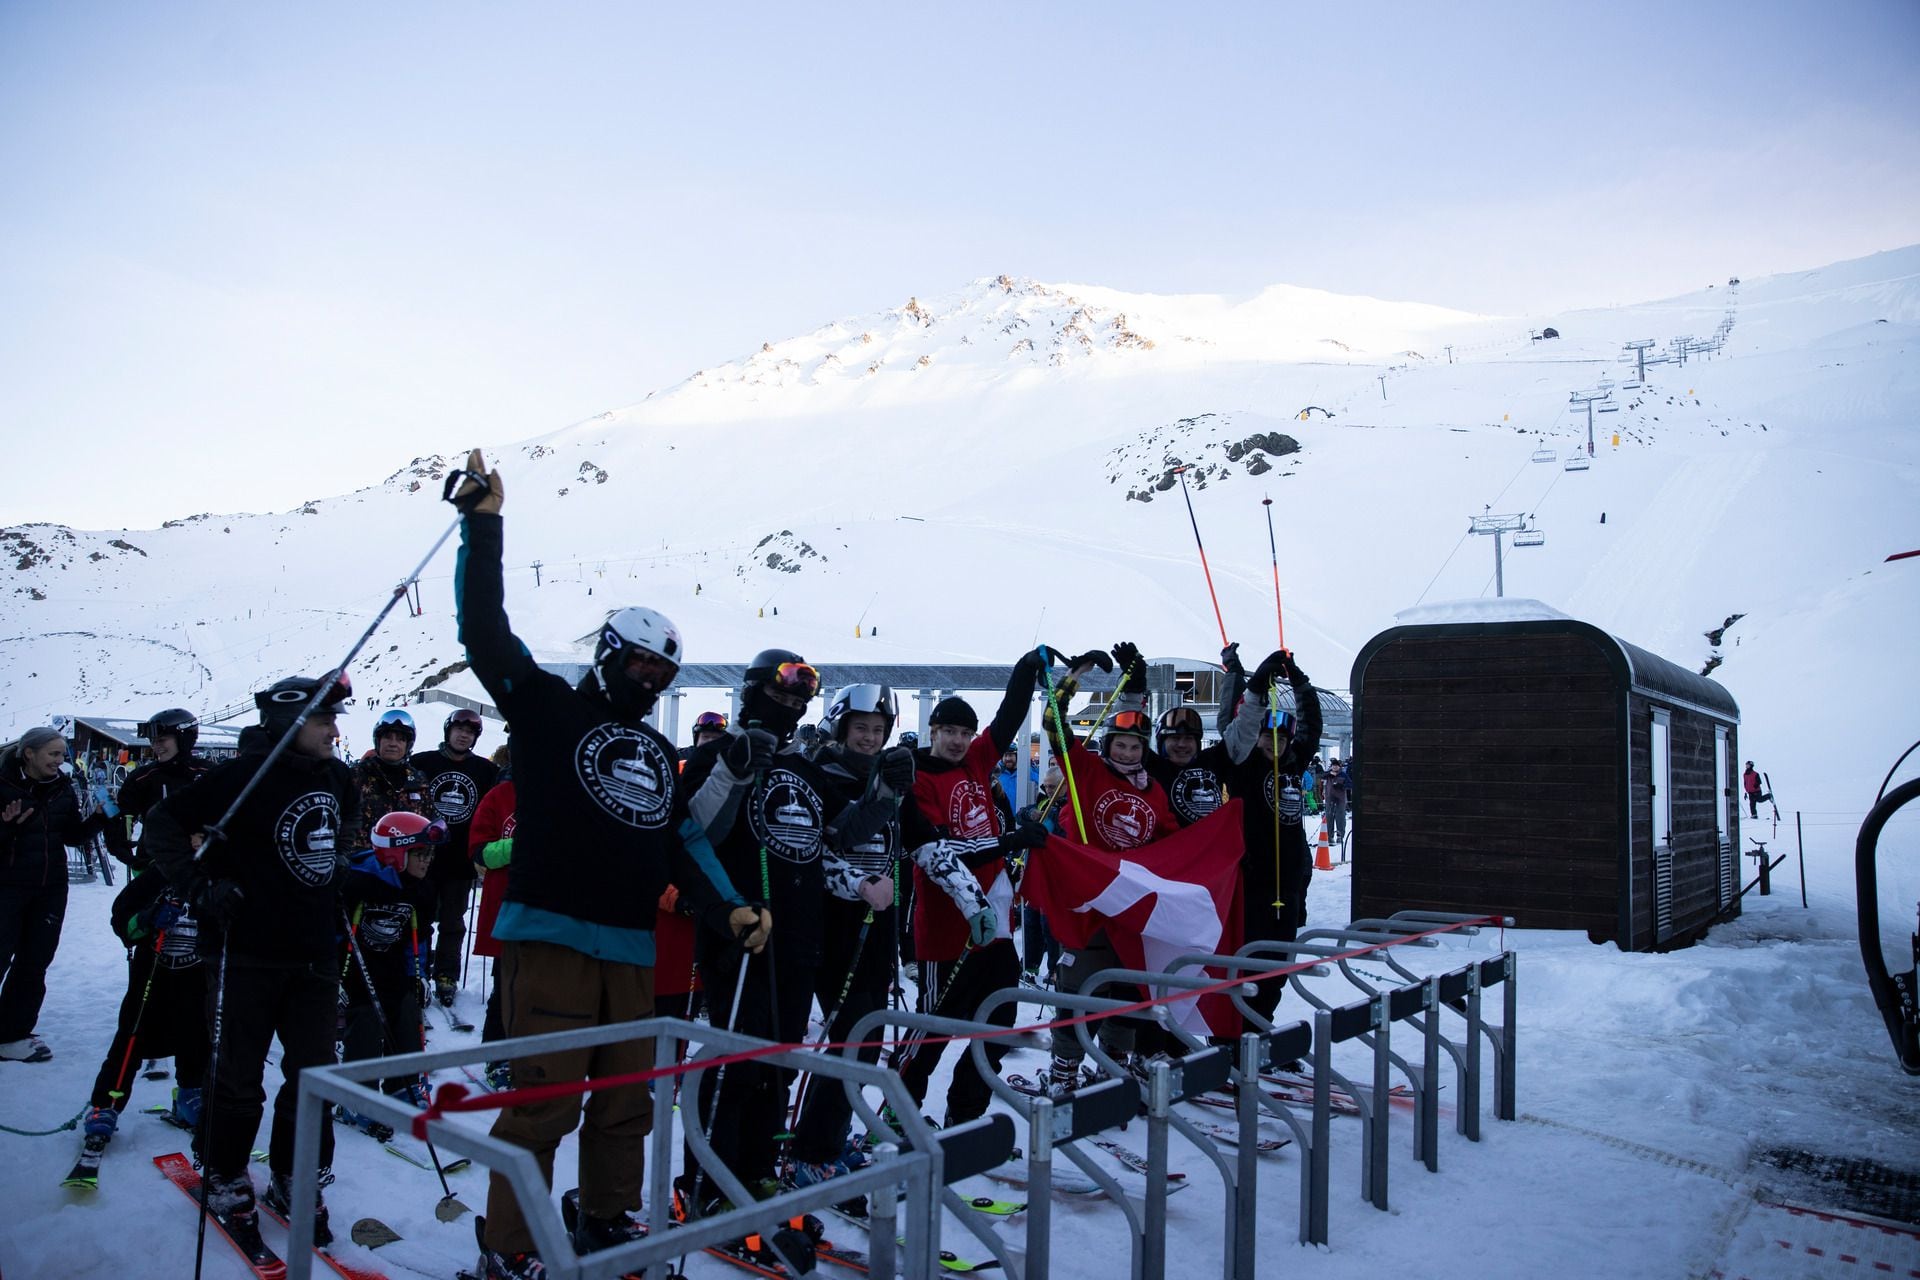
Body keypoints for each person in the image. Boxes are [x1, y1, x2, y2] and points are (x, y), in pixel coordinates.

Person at [451, 450, 766, 1280]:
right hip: (551, 935)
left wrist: (727, 904)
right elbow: (484, 634)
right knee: (541, 1105)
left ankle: (603, 1222)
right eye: (639, 665)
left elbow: (682, 840)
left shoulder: (660, 753)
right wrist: (482, 527)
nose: (648, 680)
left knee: (627, 1106)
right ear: (609, 657)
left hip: (631, 950)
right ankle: (510, 1251)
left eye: (662, 673)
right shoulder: (549, 709)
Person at [143, 672, 356, 1256]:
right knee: (238, 1077)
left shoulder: (338, 775)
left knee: (314, 1077)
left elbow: (348, 827)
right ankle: (224, 1173)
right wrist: (200, 887)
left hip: (314, 951)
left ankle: (296, 1174)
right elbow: (161, 828)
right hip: (245, 951)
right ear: (291, 722)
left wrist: (338, 858)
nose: (335, 731)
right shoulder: (242, 777)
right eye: (323, 720)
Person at [678, 649, 859, 1221]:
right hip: (742, 929)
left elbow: (835, 835)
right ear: (752, 695)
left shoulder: (803, 767)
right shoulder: (717, 756)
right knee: (737, 1058)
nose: (786, 708)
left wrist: (883, 799)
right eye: (777, 697)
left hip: (799, 932)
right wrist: (733, 770)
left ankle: (756, 1169)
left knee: (778, 1061)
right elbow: (693, 834)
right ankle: (707, 1179)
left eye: (796, 701)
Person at [890, 651, 1050, 1124]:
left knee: (999, 1024)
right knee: (933, 1031)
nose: (959, 741)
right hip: (948, 931)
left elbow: (1008, 717)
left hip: (996, 923)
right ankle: (898, 1114)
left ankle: (966, 1114)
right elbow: (945, 853)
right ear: (933, 732)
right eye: (949, 732)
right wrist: (1009, 839)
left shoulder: (978, 760)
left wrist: (1025, 669)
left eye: (965, 732)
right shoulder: (917, 782)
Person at [786, 683, 924, 1187]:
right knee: (852, 1038)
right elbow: (821, 846)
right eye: (860, 728)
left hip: (876, 926)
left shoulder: (888, 778)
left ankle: (826, 1137)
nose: (869, 738)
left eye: (877, 730)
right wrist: (859, 884)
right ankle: (809, 1148)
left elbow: (915, 838)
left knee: (866, 1040)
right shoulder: (824, 775)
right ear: (841, 728)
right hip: (831, 927)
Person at [1038, 645, 1180, 1096]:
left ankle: (1115, 1068)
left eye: (1134, 745)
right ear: (1108, 745)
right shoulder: (1087, 771)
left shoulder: (1154, 791)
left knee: (1125, 994)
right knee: (1077, 992)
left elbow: (1171, 844)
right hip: (1086, 905)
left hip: (1130, 910)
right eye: (1119, 743)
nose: (1126, 750)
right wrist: (1075, 674)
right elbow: (1052, 725)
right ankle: (1064, 1071)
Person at [1219, 646, 1324, 1023]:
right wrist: (1240, 673)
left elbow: (1312, 723)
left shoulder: (1294, 765)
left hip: (1289, 886)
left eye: (1280, 738)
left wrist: (1299, 681)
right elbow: (1230, 723)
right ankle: (1233, 1037)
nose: (1273, 743)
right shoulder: (1243, 767)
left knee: (1276, 969)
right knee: (1245, 965)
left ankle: (1261, 1029)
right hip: (1252, 884)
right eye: (1266, 736)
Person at [1, 727, 107, 1063]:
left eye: (63, 755)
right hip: (7, 888)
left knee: (34, 963)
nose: (60, 761)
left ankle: (12, 1035)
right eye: (53, 754)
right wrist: (7, 828)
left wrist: (99, 819)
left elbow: (73, 836)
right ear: (29, 754)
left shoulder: (62, 788)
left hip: (50, 889)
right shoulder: (3, 787)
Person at [336, 811, 444, 1137]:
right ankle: (358, 1096)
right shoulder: (356, 882)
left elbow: (421, 936)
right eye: (420, 854)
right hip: (353, 966)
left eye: (430, 855)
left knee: (406, 1012)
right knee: (368, 1018)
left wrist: (421, 972)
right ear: (397, 852)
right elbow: (331, 932)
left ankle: (404, 1086)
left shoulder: (422, 890)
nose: (426, 862)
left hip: (394, 964)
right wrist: (329, 978)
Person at [412, 707, 499, 1008]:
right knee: (419, 919)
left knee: (452, 923)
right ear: (448, 731)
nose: (463, 735)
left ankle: (446, 975)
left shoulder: (485, 771)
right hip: (424, 860)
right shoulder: (423, 762)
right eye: (459, 730)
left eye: (470, 732)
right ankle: (418, 971)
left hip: (460, 862)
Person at [107, 709, 211, 872]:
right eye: (153, 741)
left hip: (201, 865)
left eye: (162, 740)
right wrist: (118, 840)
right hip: (152, 864)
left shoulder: (208, 774)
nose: (156, 746)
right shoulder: (142, 777)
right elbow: (123, 812)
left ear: (184, 738)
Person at [467, 746, 515, 1086]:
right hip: (507, 910)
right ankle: (497, 1056)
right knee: (506, 987)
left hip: (551, 913)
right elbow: (480, 851)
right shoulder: (500, 795)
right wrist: (519, 846)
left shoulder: (562, 792)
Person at [1324, 758, 1351, 846]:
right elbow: (1321, 776)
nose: (1335, 767)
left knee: (1340, 818)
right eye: (1333, 766)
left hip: (1340, 799)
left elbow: (1350, 784)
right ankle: (1329, 836)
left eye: (1336, 766)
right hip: (1329, 799)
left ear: (1339, 767)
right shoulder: (1328, 774)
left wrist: (1342, 786)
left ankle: (1340, 836)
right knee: (1329, 817)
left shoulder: (1343, 774)